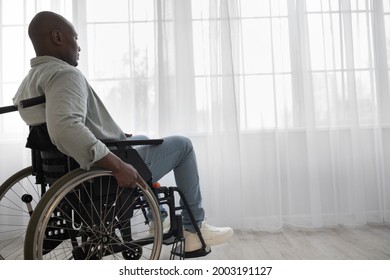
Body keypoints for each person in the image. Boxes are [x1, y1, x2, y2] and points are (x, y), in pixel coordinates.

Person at [13, 11, 233, 253]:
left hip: (67, 168)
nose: (79, 47)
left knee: (142, 139)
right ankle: (194, 231)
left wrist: (109, 132)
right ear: (57, 37)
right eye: (75, 38)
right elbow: (65, 128)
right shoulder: (65, 74)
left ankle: (156, 218)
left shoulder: (30, 81)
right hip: (98, 177)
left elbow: (56, 123)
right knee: (183, 145)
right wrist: (118, 166)